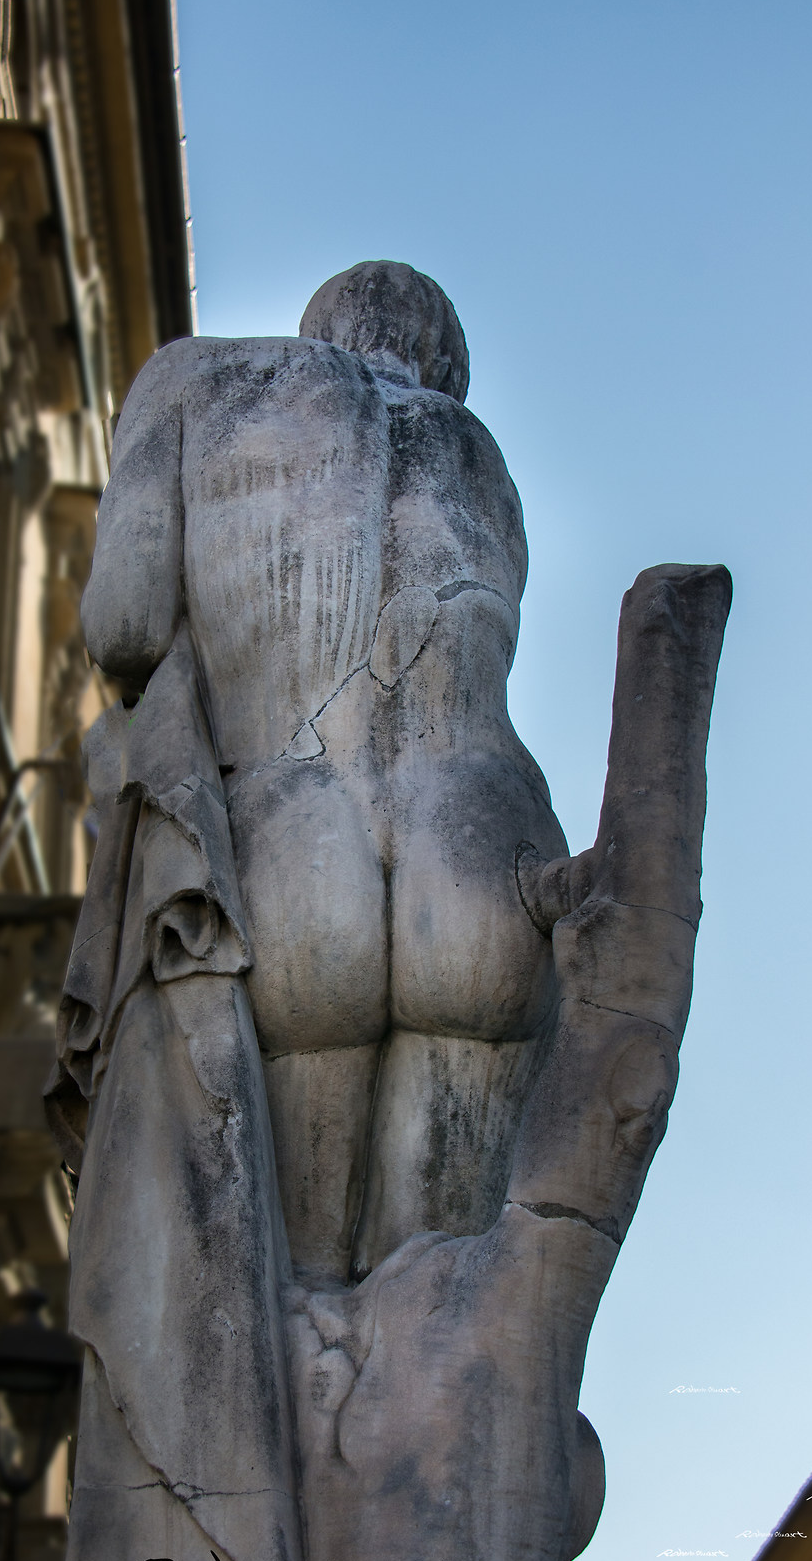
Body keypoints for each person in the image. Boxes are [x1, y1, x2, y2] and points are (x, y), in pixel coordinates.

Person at [79, 260, 566, 1285]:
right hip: (483, 843)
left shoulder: (194, 384)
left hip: (291, 834)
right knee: (432, 1315)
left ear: (318, 327)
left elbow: (121, 624)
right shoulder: (479, 457)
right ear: (442, 366)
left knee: (292, 1321)